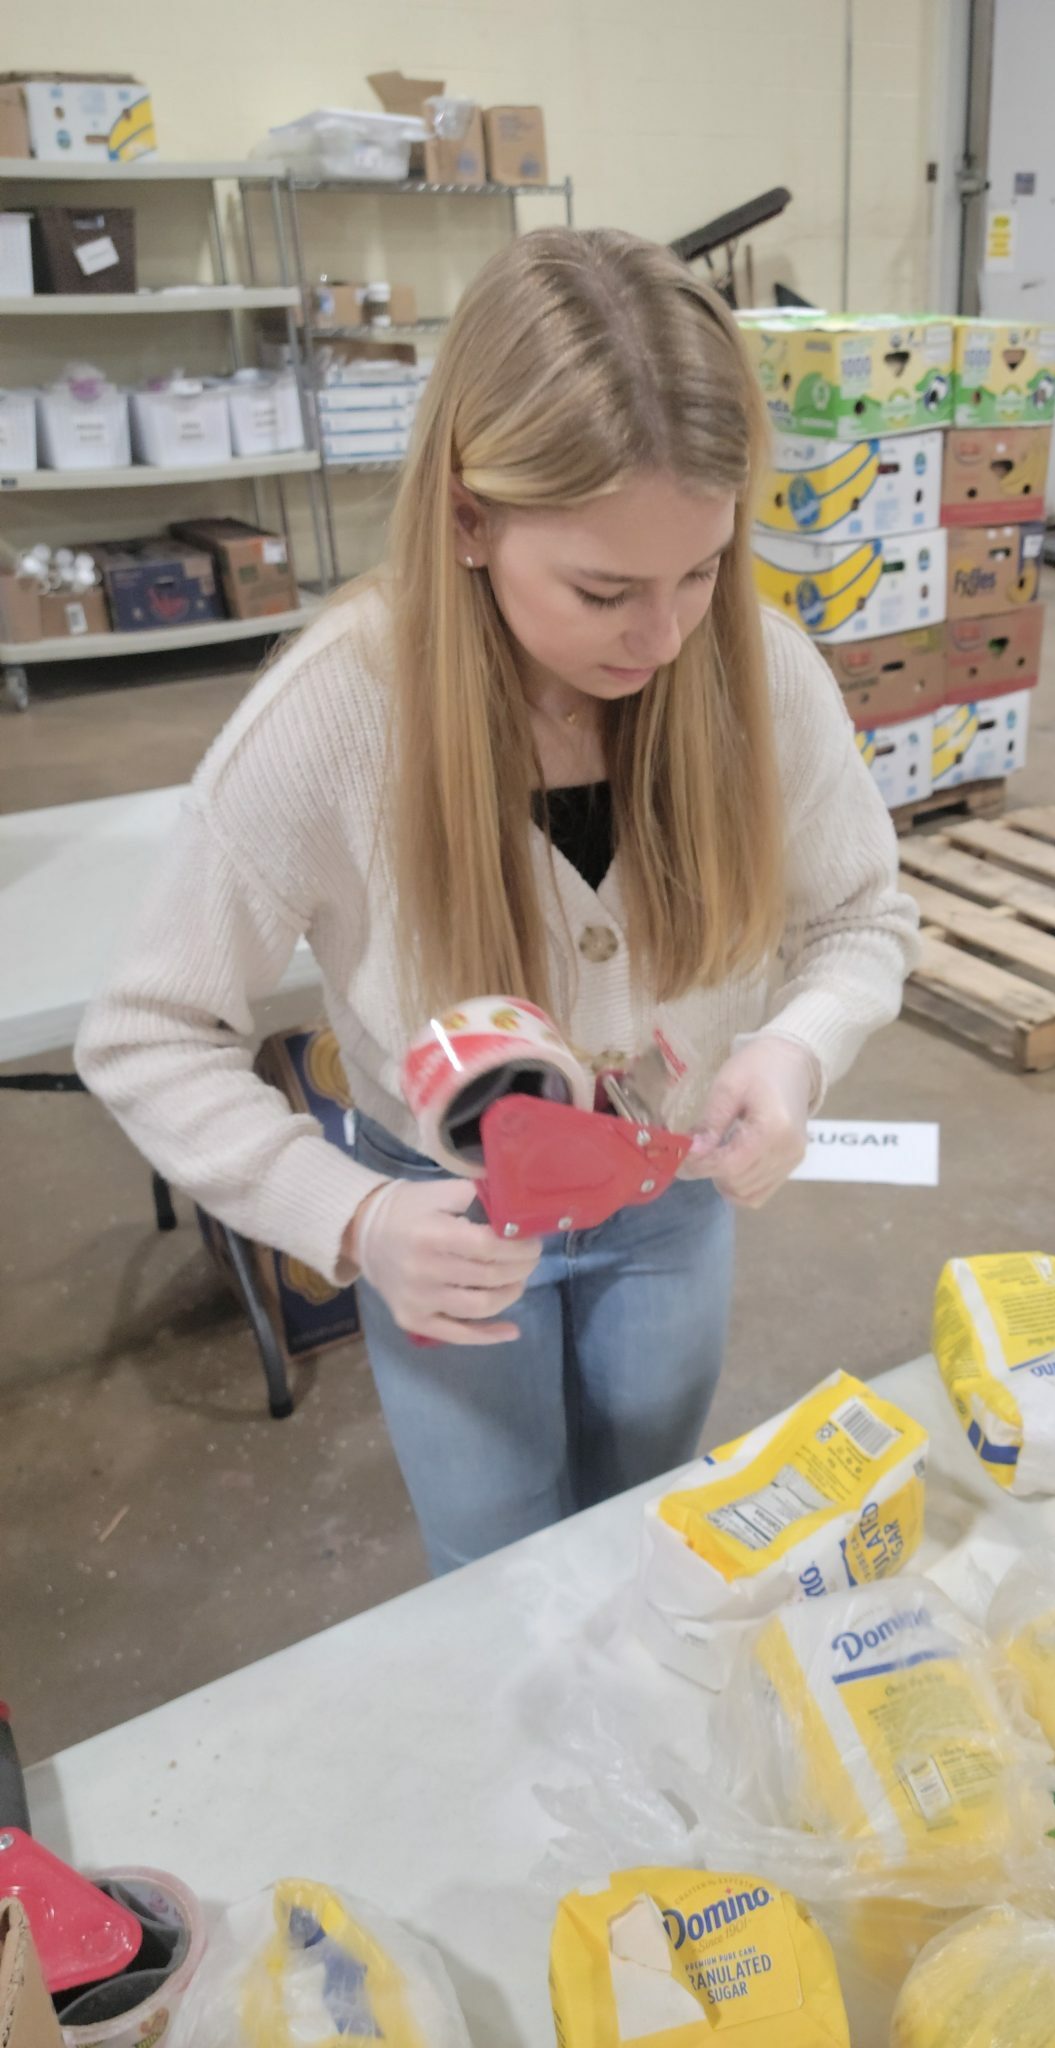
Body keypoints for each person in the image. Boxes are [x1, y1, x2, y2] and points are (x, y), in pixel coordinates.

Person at [77, 229, 918, 1577]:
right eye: (603, 590)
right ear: (469, 516)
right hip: (445, 1216)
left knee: (655, 1539)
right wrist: (348, 1218)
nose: (665, 635)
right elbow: (146, 1033)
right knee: (502, 1578)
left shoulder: (755, 672)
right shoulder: (338, 710)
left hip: (673, 1199)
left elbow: (861, 920)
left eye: (701, 570)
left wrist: (793, 1047)